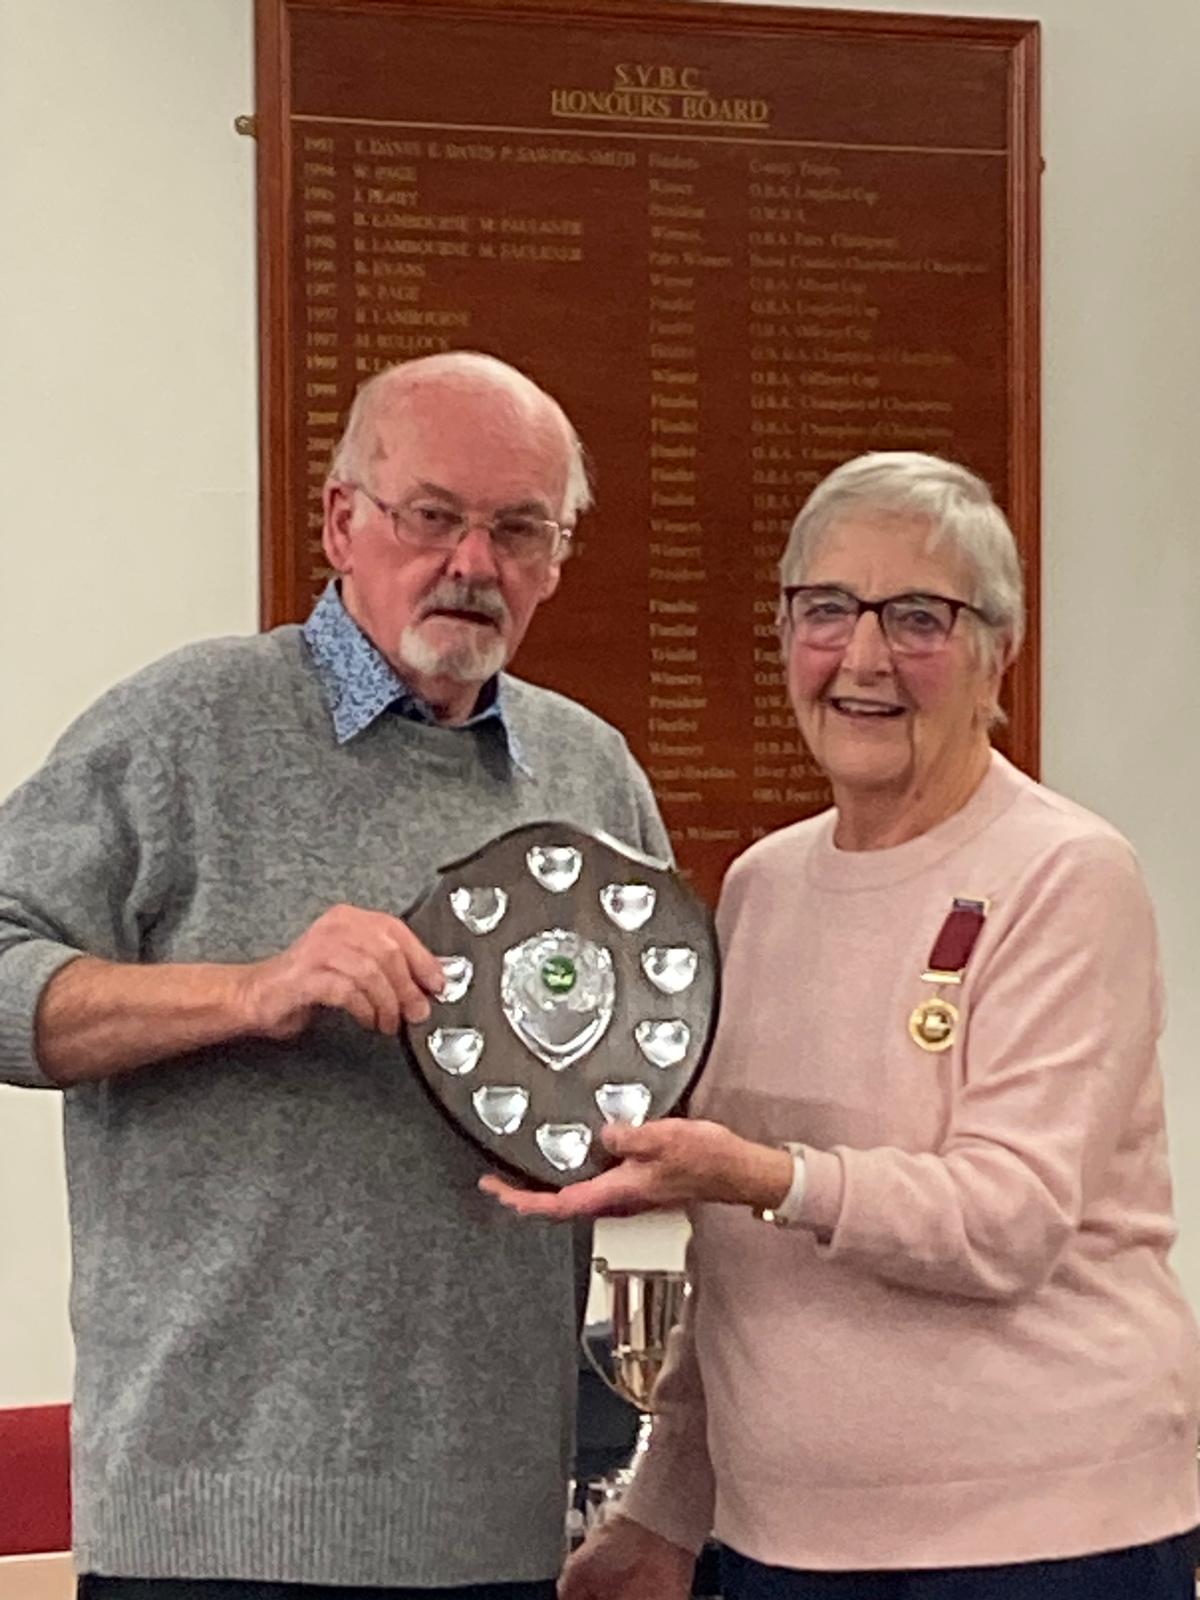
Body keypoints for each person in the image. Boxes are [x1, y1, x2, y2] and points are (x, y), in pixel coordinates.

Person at [0, 351, 670, 1600]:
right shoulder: (185, 726)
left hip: (494, 1532)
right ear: (341, 522)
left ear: (556, 559)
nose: (473, 563)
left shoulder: (594, 779)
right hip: (205, 1533)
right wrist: (250, 989)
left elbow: (645, 1081)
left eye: (518, 529)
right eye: (432, 517)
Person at [483, 452, 1200, 1599]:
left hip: (1039, 1542)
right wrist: (665, 1506)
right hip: (786, 1546)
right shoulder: (762, 885)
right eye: (827, 609)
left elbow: (1006, 1218)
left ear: (995, 653)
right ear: (784, 633)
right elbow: (741, 1262)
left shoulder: (1067, 874)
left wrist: (764, 1172)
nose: (863, 658)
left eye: (918, 617)